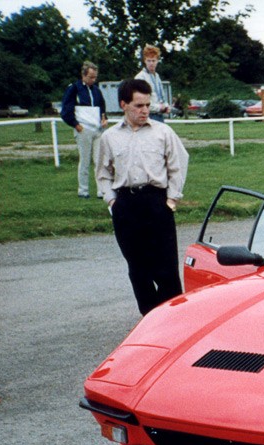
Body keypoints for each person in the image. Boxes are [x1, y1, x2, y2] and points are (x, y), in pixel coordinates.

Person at [97, 78, 189, 315]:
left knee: (166, 270)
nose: (145, 110)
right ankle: (150, 321)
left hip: (157, 203)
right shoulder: (110, 137)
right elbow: (103, 173)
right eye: (138, 105)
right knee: (138, 270)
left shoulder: (163, 132)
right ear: (123, 104)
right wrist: (112, 201)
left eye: (147, 105)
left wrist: (171, 200)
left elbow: (178, 165)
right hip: (126, 206)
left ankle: (173, 320)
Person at [60, 61, 108, 199]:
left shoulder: (96, 90)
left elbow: (102, 107)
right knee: (85, 160)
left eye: (95, 77)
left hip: (98, 130)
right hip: (83, 129)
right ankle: (83, 190)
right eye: (91, 77)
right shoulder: (74, 89)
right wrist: (76, 125)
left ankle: (101, 190)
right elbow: (66, 110)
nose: (93, 80)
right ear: (84, 75)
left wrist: (104, 119)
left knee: (99, 161)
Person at [135, 45, 171, 121]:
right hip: (148, 115)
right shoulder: (140, 77)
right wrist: (159, 107)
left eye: (153, 60)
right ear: (145, 60)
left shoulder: (157, 76)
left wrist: (166, 106)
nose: (151, 63)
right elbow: (141, 101)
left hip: (159, 115)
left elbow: (161, 96)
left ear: (157, 60)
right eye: (149, 60)